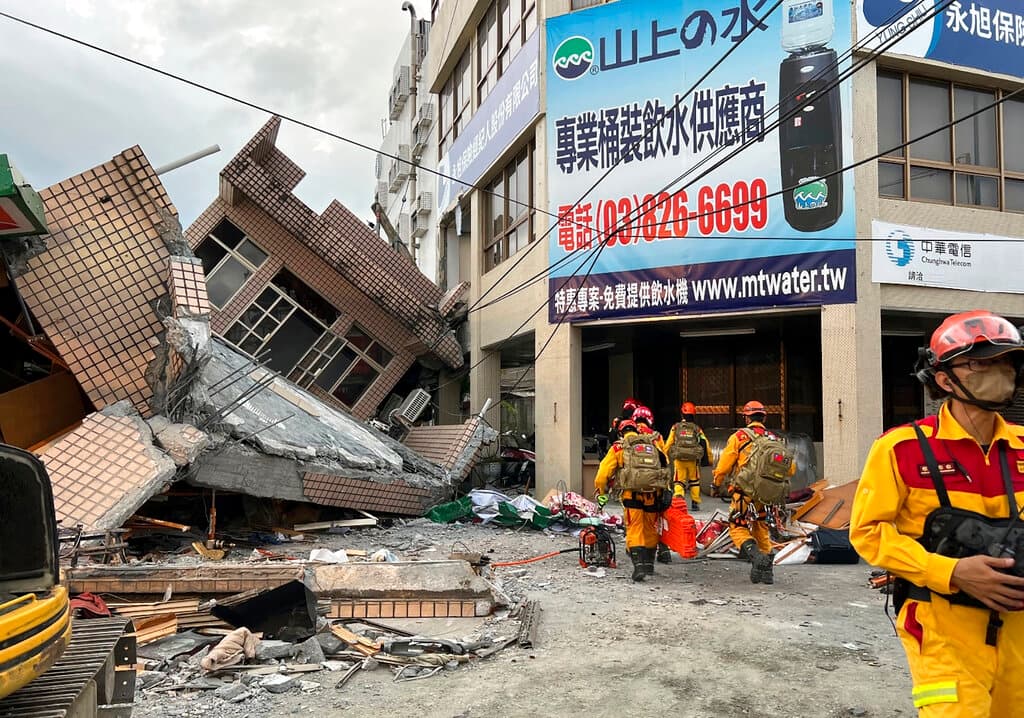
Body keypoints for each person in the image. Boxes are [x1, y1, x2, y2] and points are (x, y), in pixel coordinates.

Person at [849, 310, 1024, 717]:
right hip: (942, 624)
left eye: (1005, 361)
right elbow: (869, 532)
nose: (1000, 371)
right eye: (982, 363)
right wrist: (950, 572)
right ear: (945, 379)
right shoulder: (902, 448)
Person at [711, 400, 795, 584]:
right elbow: (790, 469)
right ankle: (766, 572)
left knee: (737, 526)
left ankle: (756, 557)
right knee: (760, 527)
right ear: (763, 417)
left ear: (746, 417)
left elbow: (724, 465)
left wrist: (716, 483)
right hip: (766, 495)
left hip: (744, 492)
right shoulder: (773, 438)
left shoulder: (739, 437)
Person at [594, 417, 671, 582]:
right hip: (654, 494)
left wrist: (602, 491)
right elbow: (664, 465)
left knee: (635, 528)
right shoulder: (652, 444)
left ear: (621, 432)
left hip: (632, 495)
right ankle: (649, 564)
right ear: (637, 430)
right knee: (650, 527)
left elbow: (602, 474)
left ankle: (639, 566)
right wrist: (667, 490)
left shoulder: (618, 448)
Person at [631, 405, 676, 564]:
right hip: (654, 487)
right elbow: (664, 461)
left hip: (633, 487)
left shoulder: (630, 435)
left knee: (634, 521)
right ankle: (662, 550)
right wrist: (667, 488)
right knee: (657, 518)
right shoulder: (656, 437)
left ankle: (635, 551)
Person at [665, 401, 714, 512]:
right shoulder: (697, 429)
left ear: (682, 414)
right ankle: (695, 503)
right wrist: (709, 459)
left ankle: (679, 501)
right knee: (694, 481)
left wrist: (664, 456)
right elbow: (705, 443)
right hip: (693, 460)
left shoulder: (675, 427)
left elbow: (668, 442)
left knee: (679, 481)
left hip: (679, 459)